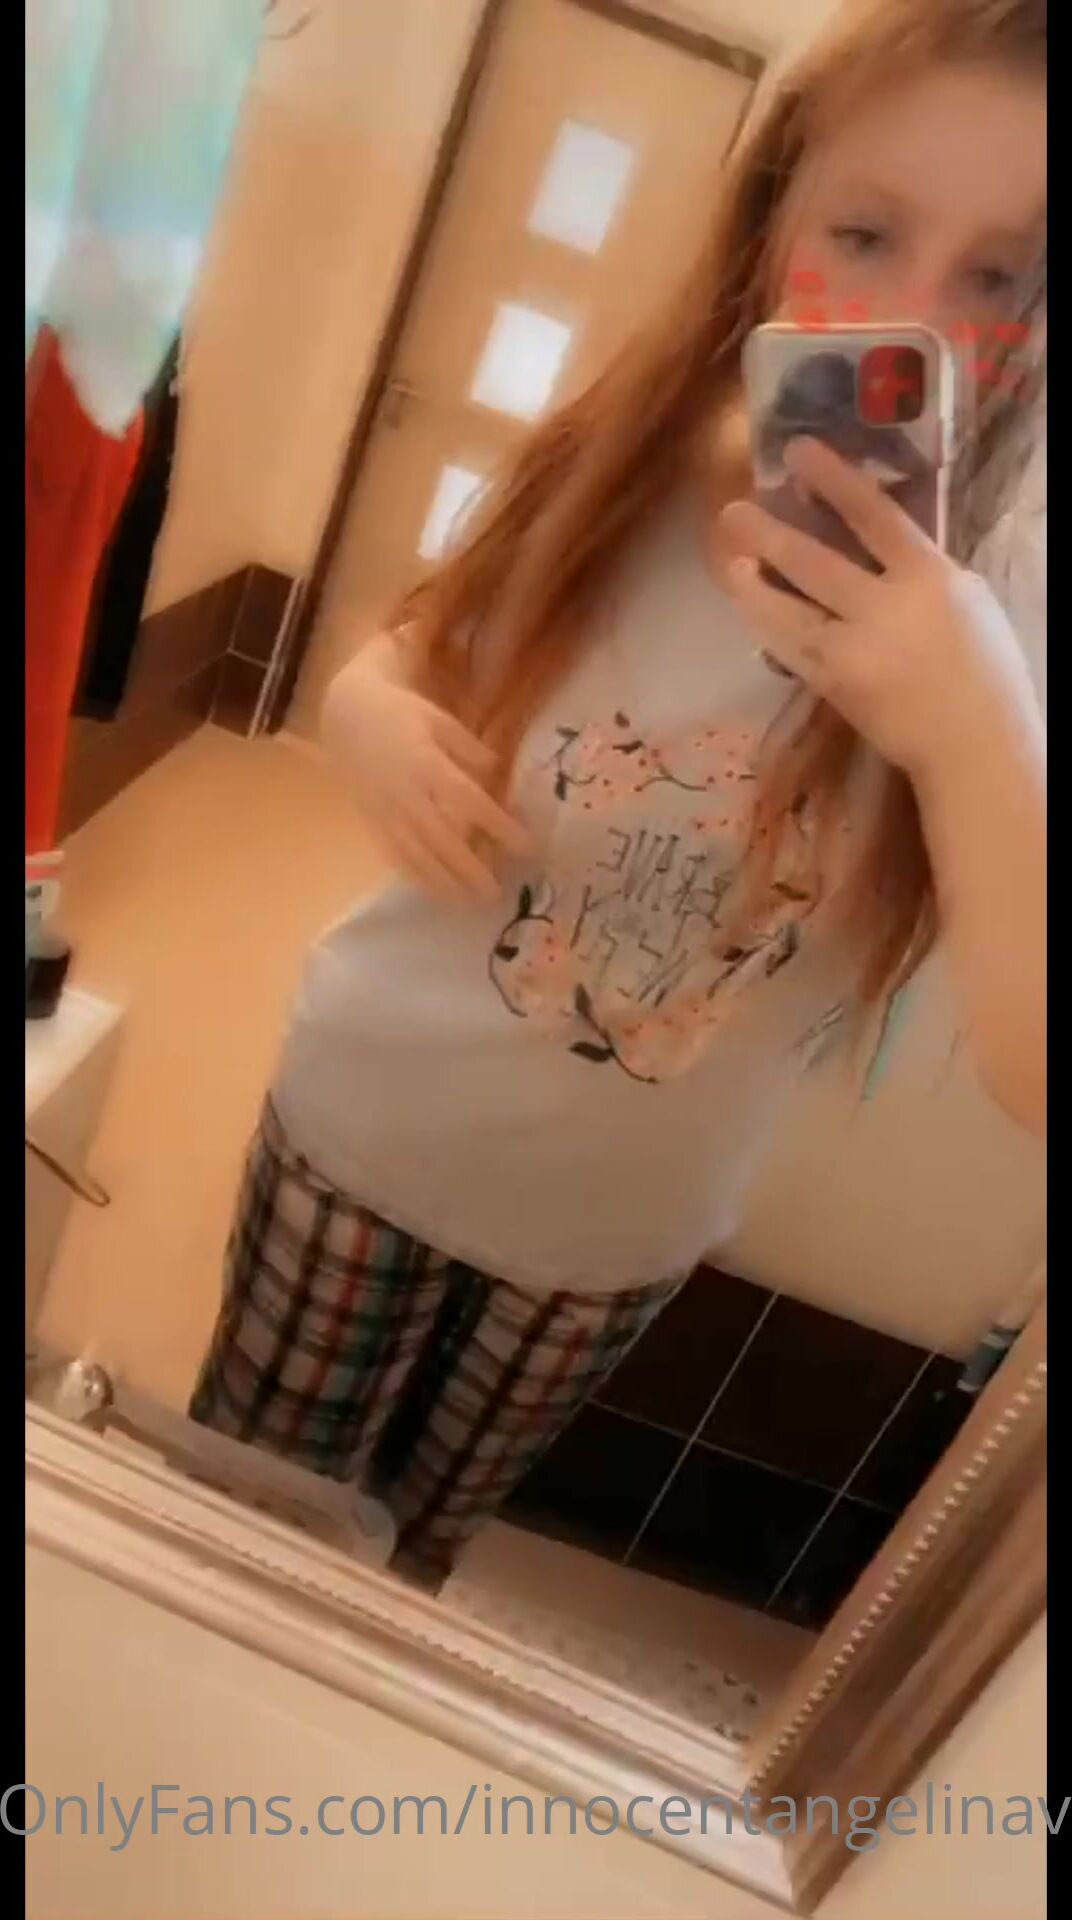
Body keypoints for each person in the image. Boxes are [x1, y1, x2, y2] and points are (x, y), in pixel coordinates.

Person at [190, 0, 1047, 1591]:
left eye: (996, 275)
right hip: (372, 1112)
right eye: (864, 233)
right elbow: (417, 639)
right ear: (772, 216)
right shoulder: (631, 450)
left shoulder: (1010, 615)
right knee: (237, 1533)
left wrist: (973, 720)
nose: (912, 321)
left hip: (615, 1232)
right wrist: (366, 711)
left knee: (413, 1560)